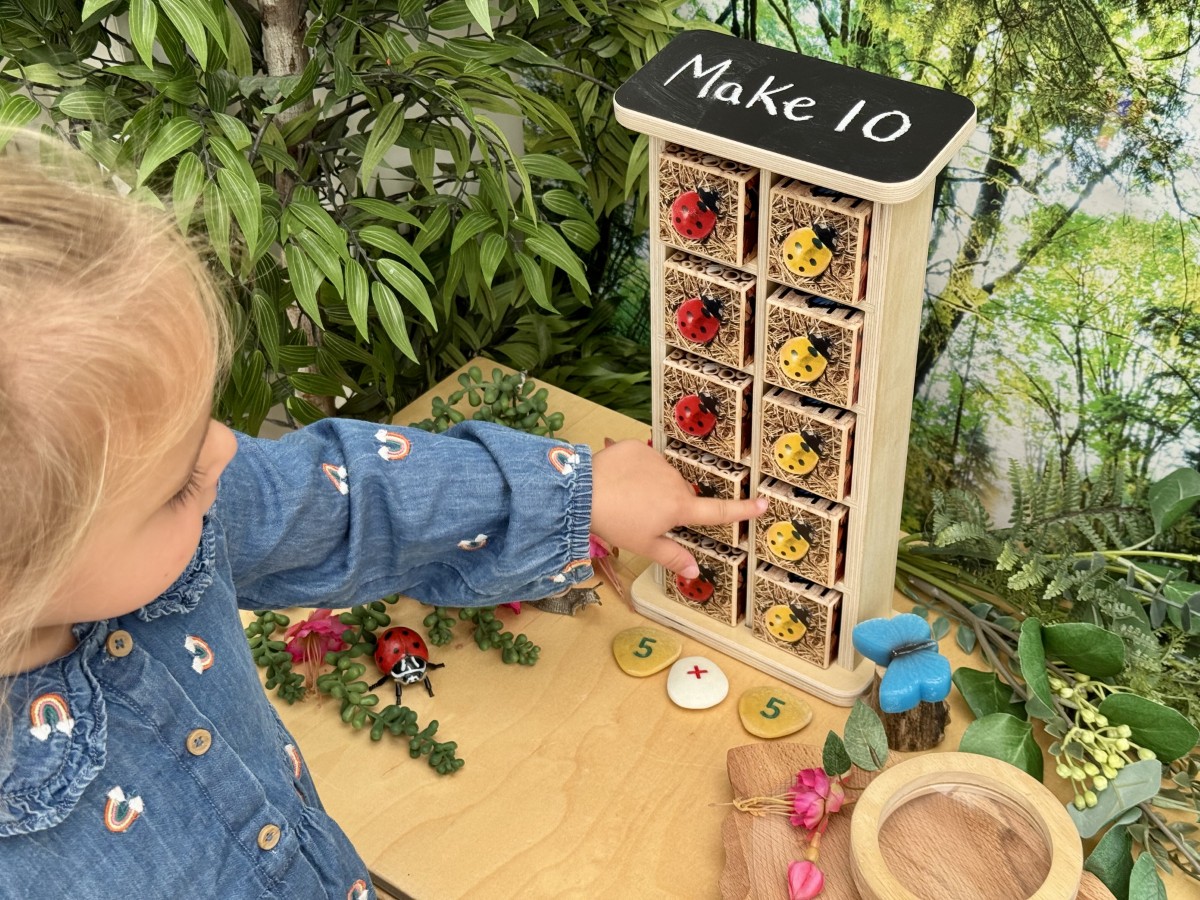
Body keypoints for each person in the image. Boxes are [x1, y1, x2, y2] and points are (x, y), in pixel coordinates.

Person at [0, 134, 764, 898]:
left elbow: (345, 499)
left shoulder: (148, 527)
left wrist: (573, 492)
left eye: (206, 418)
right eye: (175, 484)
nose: (226, 450)